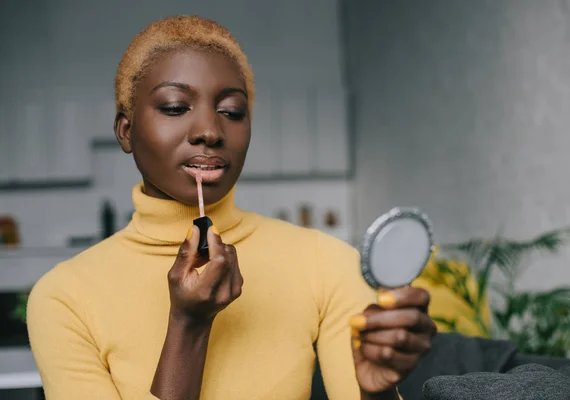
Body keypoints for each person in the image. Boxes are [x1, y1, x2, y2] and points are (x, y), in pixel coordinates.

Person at [26, 15, 436, 400]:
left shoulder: (326, 264)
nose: (209, 130)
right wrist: (188, 327)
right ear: (126, 131)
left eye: (231, 112)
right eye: (174, 107)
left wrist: (376, 390)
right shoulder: (62, 299)